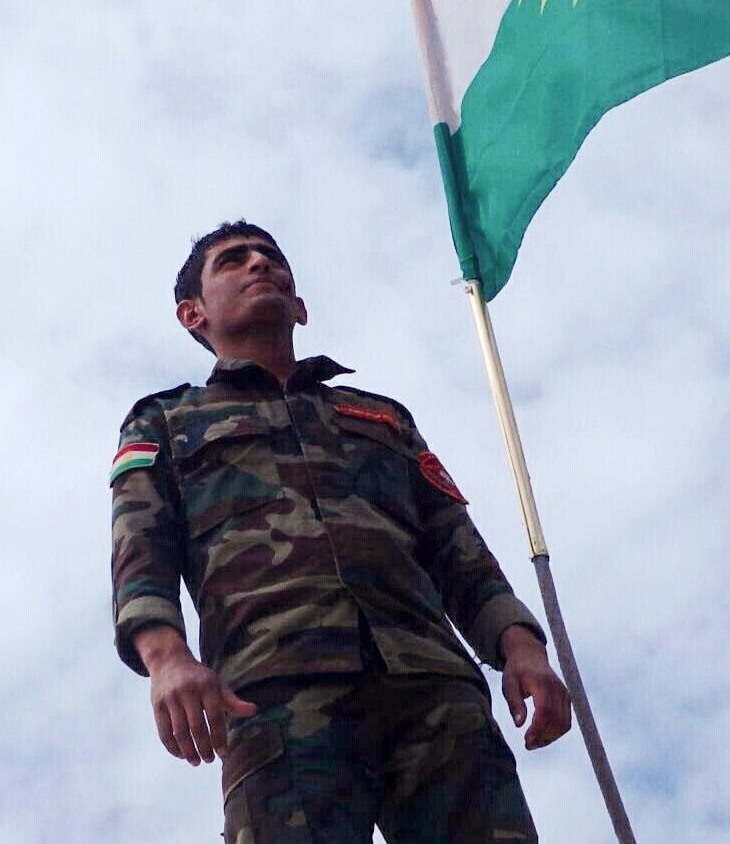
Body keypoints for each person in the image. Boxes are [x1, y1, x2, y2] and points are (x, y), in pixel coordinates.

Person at [109, 220, 572, 842]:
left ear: (300, 307)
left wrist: (522, 646)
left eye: (271, 258)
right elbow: (141, 548)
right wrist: (167, 661)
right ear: (192, 314)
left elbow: (458, 548)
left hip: (431, 688)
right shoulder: (167, 419)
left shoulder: (379, 418)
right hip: (275, 694)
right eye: (233, 261)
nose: (259, 265)